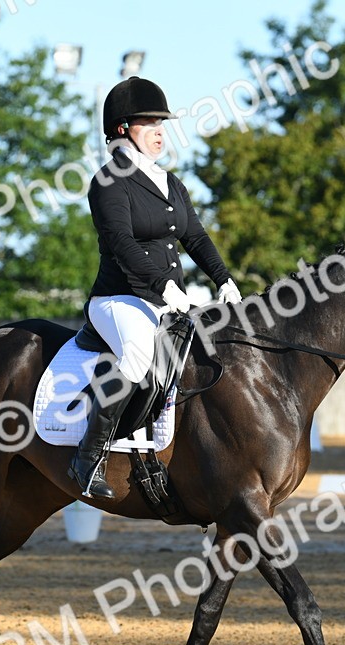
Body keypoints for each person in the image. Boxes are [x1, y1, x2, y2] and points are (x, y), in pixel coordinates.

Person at [67, 76, 242, 499]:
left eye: (162, 123)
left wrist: (224, 279)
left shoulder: (170, 182)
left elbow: (195, 236)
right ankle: (87, 458)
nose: (160, 131)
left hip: (167, 300)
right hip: (120, 300)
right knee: (138, 354)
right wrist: (164, 285)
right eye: (150, 123)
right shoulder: (108, 181)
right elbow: (121, 243)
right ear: (123, 128)